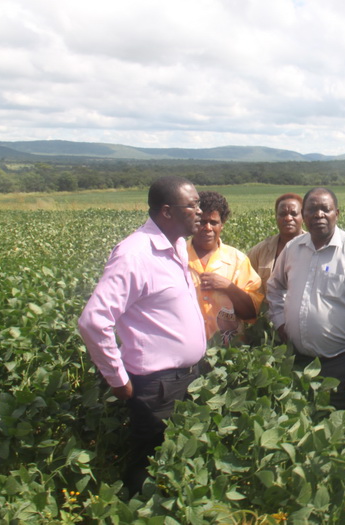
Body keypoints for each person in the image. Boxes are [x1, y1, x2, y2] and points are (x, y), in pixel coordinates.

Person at [77, 176, 206, 496]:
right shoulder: (135, 254)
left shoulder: (176, 244)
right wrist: (117, 378)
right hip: (157, 387)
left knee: (178, 464)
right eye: (193, 205)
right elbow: (93, 321)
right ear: (167, 211)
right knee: (149, 466)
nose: (200, 211)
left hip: (186, 378)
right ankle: (134, 510)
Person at [267, 187, 345, 409]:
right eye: (312, 209)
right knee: (296, 417)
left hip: (339, 364)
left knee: (335, 420)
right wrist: (280, 321)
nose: (318, 214)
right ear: (304, 215)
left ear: (336, 214)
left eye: (325, 209)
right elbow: (274, 287)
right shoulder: (293, 248)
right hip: (296, 360)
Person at [189, 190, 263, 344]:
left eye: (213, 222)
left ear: (222, 225)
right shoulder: (176, 257)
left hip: (229, 351)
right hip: (186, 349)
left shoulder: (238, 261)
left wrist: (228, 287)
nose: (207, 228)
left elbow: (251, 312)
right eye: (202, 222)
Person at [247, 193, 305, 295]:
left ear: (303, 216)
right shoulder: (261, 250)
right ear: (276, 217)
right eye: (282, 214)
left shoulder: (315, 247)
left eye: (293, 214)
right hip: (269, 305)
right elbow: (246, 281)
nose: (288, 218)